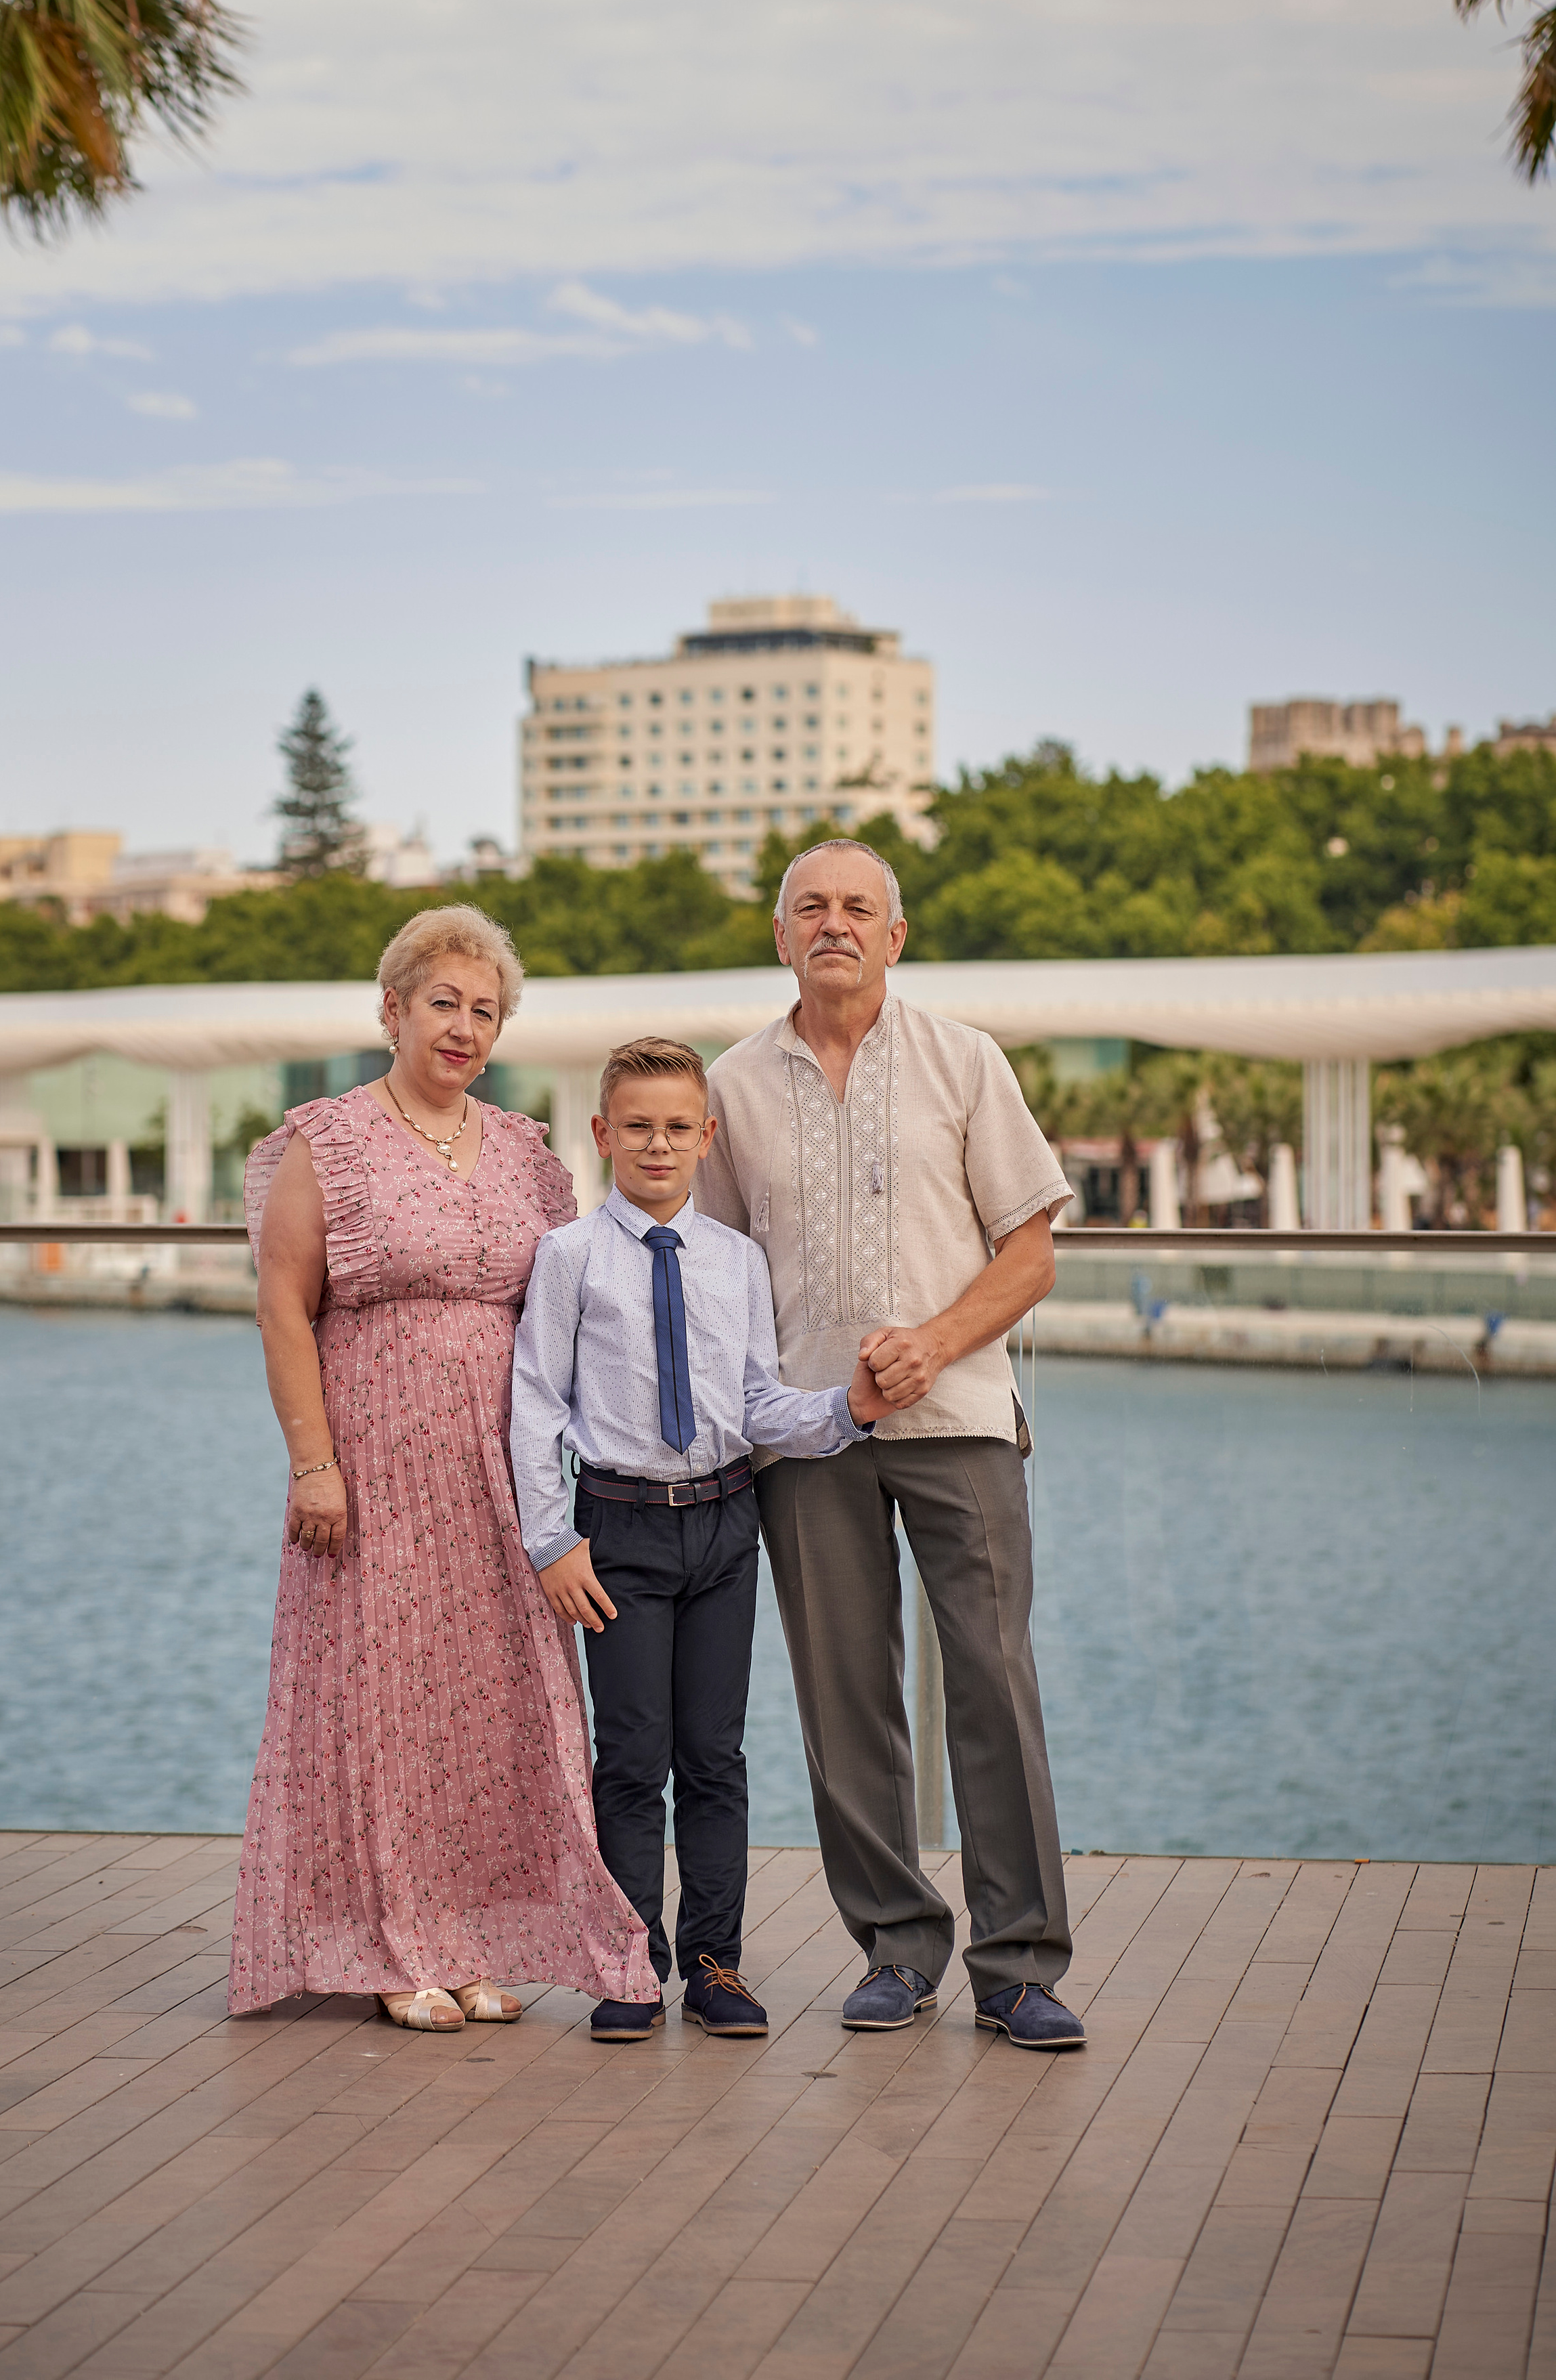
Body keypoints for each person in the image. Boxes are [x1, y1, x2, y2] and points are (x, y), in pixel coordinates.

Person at [229, 904, 654, 2032]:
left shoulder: (522, 1151)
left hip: (501, 1475)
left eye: (485, 1012)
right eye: (443, 1004)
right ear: (393, 1009)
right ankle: (388, 1944)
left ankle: (467, 1941)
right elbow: (282, 1305)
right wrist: (313, 1464)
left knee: (490, 1712)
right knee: (380, 1705)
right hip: (371, 1472)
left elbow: (568, 1311)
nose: (464, 1028)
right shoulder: (329, 1141)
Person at [697, 841, 1086, 2051]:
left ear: (895, 935)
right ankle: (897, 1949)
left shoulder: (965, 1061)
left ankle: (1019, 1966)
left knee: (994, 1681)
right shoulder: (731, 1086)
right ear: (779, 936)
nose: (836, 924)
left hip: (960, 1418)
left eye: (859, 907)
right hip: (804, 1435)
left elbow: (1032, 1251)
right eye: (810, 907)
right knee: (844, 1697)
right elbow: (714, 1271)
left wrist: (934, 1342)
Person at [510, 1037, 887, 2043]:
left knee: (715, 1756)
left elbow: (759, 1402)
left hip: (725, 1526)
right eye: (638, 1126)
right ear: (603, 1134)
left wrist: (847, 1409)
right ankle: (630, 1964)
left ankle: (716, 1963)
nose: (659, 1144)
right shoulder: (569, 1258)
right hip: (617, 1530)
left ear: (707, 1135)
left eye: (679, 1127)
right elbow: (536, 1404)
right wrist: (551, 1541)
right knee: (633, 1757)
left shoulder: (737, 1260)